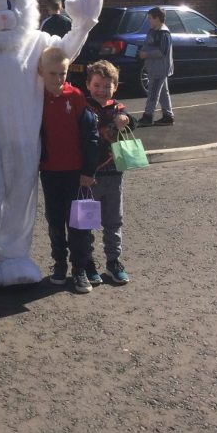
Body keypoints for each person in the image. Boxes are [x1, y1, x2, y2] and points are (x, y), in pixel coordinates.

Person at [38, 47, 99, 294]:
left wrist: (88, 171)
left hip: (77, 173)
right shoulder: (35, 98)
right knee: (54, 220)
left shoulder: (76, 97)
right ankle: (60, 263)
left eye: (62, 73)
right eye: (52, 73)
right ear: (41, 72)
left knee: (81, 223)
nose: (58, 79)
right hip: (50, 171)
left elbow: (91, 136)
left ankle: (80, 268)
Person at [85, 60, 133, 285]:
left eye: (107, 86)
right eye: (97, 85)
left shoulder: (119, 109)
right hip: (88, 176)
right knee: (86, 223)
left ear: (115, 86)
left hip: (115, 175)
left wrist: (128, 120)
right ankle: (87, 263)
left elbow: (134, 123)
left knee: (114, 222)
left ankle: (114, 261)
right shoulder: (83, 107)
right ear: (88, 85)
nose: (102, 90)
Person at [139, 7, 174, 126]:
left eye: (150, 18)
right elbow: (148, 45)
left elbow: (162, 52)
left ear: (157, 18)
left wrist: (146, 54)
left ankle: (148, 116)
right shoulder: (153, 31)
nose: (148, 21)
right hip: (153, 67)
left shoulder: (164, 33)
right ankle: (168, 116)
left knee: (153, 93)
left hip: (159, 69)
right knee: (163, 93)